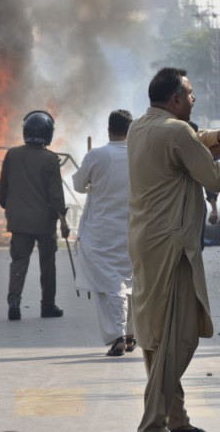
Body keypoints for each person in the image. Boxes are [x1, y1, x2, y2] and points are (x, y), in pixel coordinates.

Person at [128, 67, 220, 432]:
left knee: (156, 336)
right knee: (180, 337)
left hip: (145, 242)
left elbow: (192, 140)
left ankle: (177, 421)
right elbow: (214, 177)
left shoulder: (140, 126)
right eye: (190, 94)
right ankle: (152, 424)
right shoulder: (177, 131)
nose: (194, 99)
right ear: (176, 99)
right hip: (173, 247)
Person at [72, 109, 136, 355]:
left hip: (102, 230)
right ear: (131, 131)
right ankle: (131, 334)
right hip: (132, 227)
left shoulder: (96, 155)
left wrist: (92, 182)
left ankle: (117, 336)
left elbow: (78, 185)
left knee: (110, 284)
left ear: (109, 130)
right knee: (131, 281)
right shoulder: (138, 154)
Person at [0, 110, 69, 320]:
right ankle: (48, 306)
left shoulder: (12, 154)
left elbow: (3, 188)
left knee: (19, 262)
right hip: (45, 223)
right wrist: (63, 219)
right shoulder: (50, 159)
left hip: (19, 221)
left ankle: (14, 300)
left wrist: (9, 207)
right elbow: (56, 195)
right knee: (47, 264)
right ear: (47, 134)